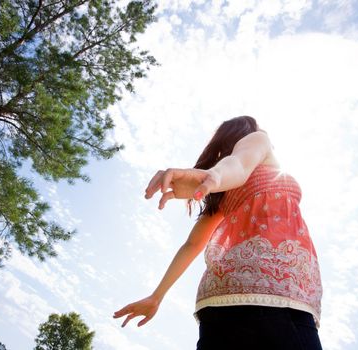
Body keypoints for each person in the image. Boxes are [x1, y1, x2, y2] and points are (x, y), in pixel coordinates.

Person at [114, 116, 323, 349]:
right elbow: (239, 165)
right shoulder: (257, 139)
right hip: (278, 294)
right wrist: (213, 177)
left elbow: (191, 245)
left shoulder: (223, 194)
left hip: (218, 302)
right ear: (247, 131)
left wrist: (156, 297)